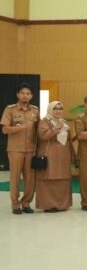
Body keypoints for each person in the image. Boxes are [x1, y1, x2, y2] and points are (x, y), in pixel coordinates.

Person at [1, 83, 39, 215]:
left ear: (32, 96)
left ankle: (26, 203)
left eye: (28, 93)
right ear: (17, 95)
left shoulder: (35, 110)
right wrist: (20, 127)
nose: (25, 96)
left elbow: (38, 129)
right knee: (15, 178)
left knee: (30, 179)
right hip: (15, 149)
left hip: (31, 149)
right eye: (22, 93)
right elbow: (5, 129)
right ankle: (15, 205)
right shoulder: (10, 109)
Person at [34, 101, 74, 212]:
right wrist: (56, 128)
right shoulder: (44, 122)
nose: (58, 111)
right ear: (50, 110)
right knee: (49, 178)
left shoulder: (64, 123)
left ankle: (62, 204)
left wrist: (72, 154)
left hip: (63, 156)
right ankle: (48, 205)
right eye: (55, 108)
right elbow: (43, 136)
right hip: (49, 155)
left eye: (60, 109)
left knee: (63, 178)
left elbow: (69, 141)